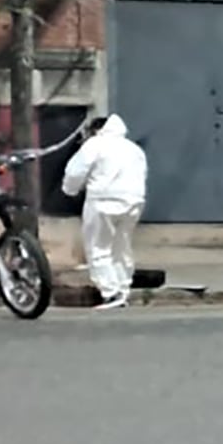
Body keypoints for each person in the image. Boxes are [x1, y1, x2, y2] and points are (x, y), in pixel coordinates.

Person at [61, 114, 148, 311]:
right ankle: (123, 286)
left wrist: (69, 190)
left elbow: (75, 171)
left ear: (97, 130)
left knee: (98, 247)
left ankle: (110, 292)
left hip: (103, 201)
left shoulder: (95, 145)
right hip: (133, 201)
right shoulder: (134, 149)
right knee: (121, 246)